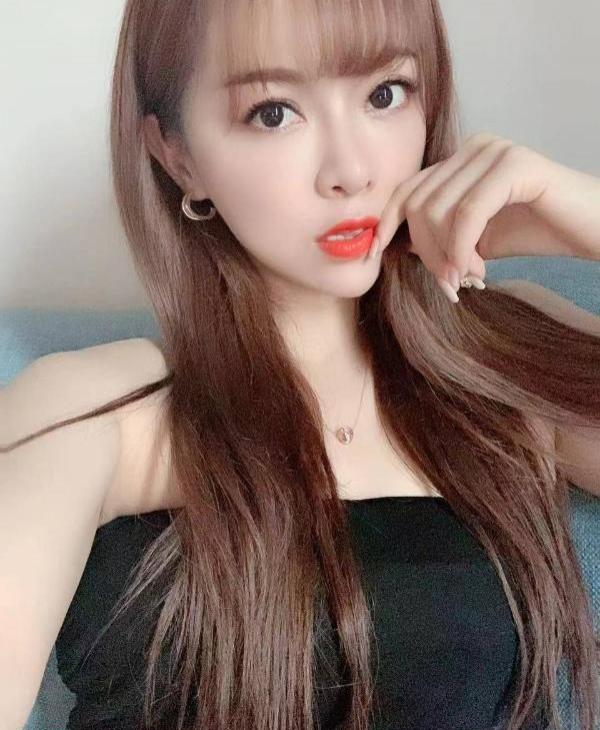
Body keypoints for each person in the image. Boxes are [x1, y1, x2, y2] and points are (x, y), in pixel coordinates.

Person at [2, 0, 600, 729]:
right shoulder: (96, 407)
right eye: (274, 113)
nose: (350, 170)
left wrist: (588, 217)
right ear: (177, 155)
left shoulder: (506, 355)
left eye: (385, 94)